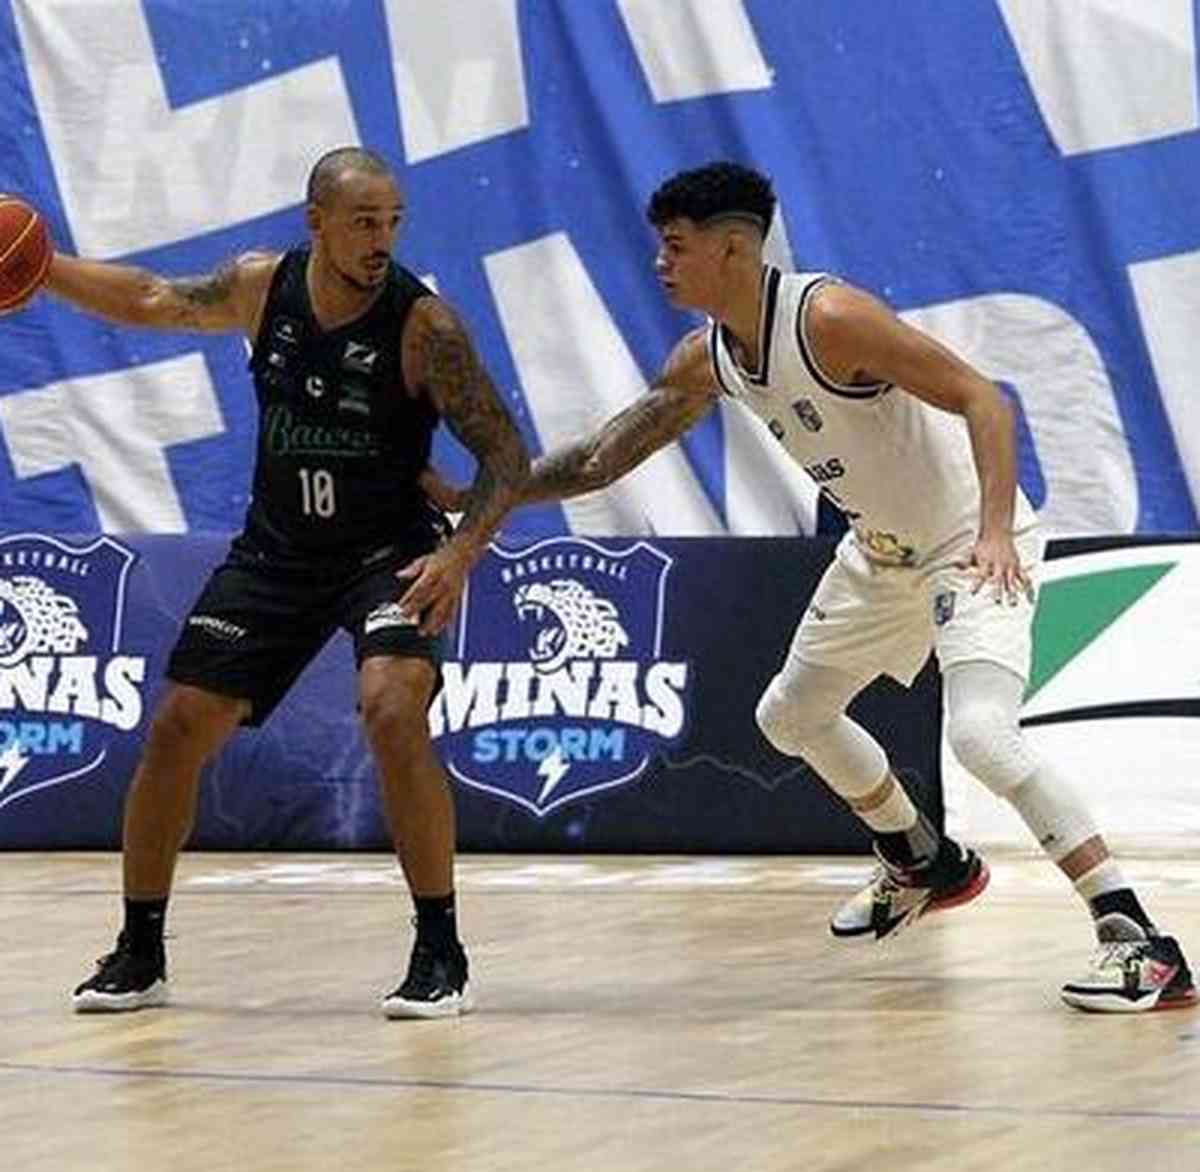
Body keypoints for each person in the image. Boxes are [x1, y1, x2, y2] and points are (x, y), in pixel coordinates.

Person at [518, 161, 1195, 1013]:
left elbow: (984, 400)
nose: (659, 262)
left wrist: (992, 530)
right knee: (789, 716)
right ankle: (922, 859)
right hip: (880, 555)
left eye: (676, 246)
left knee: (983, 735)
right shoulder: (708, 356)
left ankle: (1139, 941)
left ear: (732, 249)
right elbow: (601, 458)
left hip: (967, 541)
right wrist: (498, 492)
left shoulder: (830, 318)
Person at [41, 146, 530, 1019]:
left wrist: (459, 553)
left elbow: (504, 453)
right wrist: (43, 268)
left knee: (391, 709)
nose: (381, 240)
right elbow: (152, 298)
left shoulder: (425, 327)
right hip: (276, 553)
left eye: (392, 223)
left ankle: (440, 946)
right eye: (363, 222)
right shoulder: (264, 287)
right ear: (318, 223)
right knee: (178, 726)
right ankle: (141, 949)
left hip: (387, 552)